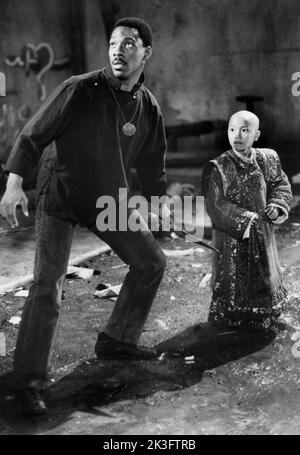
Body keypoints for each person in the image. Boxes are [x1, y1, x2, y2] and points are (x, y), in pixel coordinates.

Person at [0, 17, 171, 415]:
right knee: (48, 284)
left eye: (129, 44)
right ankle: (28, 383)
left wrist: (156, 204)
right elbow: (32, 134)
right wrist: (13, 184)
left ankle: (117, 340)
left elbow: (152, 164)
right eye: (113, 43)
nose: (118, 50)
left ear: (146, 52)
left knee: (151, 262)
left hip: (105, 198)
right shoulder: (79, 88)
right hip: (59, 192)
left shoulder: (147, 106)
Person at [206, 110, 292, 331]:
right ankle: (234, 316)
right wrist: (246, 219)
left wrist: (277, 205)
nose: (238, 136)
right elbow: (216, 205)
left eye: (245, 130)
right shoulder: (220, 167)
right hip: (233, 236)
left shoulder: (268, 158)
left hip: (262, 234)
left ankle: (264, 312)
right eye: (232, 129)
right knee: (234, 278)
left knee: (263, 271)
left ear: (256, 135)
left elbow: (280, 185)